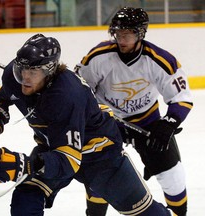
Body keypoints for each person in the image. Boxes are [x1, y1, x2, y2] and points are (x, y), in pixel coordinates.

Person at [0, 34, 175, 216]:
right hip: (54, 149)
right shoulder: (14, 75)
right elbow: (7, 94)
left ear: (49, 72)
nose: (24, 78)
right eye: (22, 69)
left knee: (147, 213)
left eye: (33, 72)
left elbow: (69, 161)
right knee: (25, 200)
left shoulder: (67, 96)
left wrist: (23, 165)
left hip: (100, 157)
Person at [75, 7, 193, 216]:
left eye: (127, 34)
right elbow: (80, 90)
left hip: (148, 123)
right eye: (118, 33)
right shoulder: (98, 57)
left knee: (173, 175)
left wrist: (169, 123)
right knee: (99, 176)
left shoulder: (159, 59)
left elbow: (181, 98)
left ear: (141, 33)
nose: (122, 39)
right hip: (108, 123)